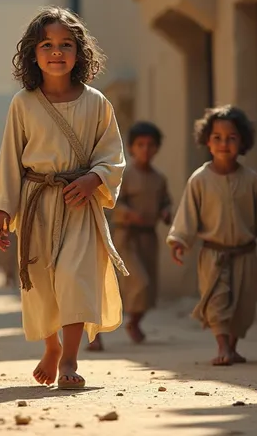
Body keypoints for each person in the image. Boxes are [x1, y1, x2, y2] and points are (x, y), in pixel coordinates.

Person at [0, 6, 128, 389]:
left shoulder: (97, 102)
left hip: (78, 204)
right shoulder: (22, 103)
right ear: (32, 53)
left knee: (73, 278)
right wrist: (3, 211)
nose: (56, 51)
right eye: (47, 44)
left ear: (79, 53)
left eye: (66, 44)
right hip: (36, 206)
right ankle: (49, 347)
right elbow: (9, 160)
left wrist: (93, 179)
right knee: (40, 282)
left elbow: (113, 153)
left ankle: (69, 359)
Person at [167, 105, 257, 366]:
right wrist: (179, 240)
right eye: (217, 138)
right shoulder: (199, 179)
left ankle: (232, 346)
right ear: (207, 141)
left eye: (232, 138)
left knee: (243, 307)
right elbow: (187, 214)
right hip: (213, 255)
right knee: (218, 302)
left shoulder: (251, 180)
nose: (224, 143)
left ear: (242, 141)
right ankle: (222, 346)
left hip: (246, 254)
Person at [90, 121, 172, 351]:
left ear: (157, 148)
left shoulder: (159, 178)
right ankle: (95, 333)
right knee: (129, 284)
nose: (145, 149)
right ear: (131, 147)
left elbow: (166, 201)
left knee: (147, 287)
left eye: (150, 145)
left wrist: (166, 212)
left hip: (148, 238)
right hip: (125, 238)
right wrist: (128, 214)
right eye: (140, 144)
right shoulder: (123, 175)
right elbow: (113, 202)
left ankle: (134, 322)